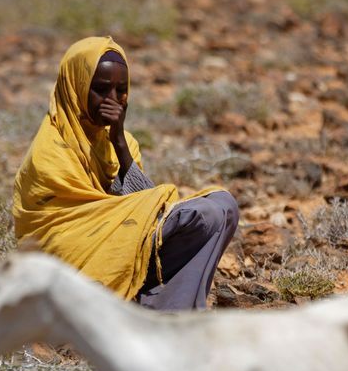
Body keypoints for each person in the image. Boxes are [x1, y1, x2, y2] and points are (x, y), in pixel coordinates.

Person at [13, 36, 239, 310]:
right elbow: (66, 232)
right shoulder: (51, 149)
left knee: (224, 205)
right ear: (76, 88)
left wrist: (119, 142)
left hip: (120, 247)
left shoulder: (122, 143)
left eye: (121, 91)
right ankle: (165, 314)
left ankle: (165, 307)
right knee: (205, 215)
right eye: (100, 89)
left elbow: (146, 209)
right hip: (73, 265)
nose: (112, 100)